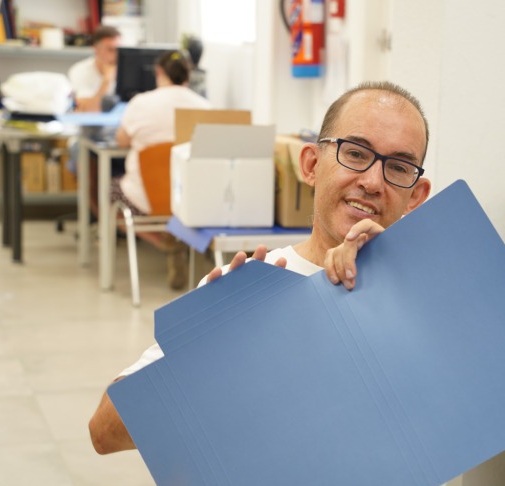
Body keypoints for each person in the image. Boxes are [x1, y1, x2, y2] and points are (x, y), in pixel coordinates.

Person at [88, 80, 431, 451]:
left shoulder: (432, 297)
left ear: (416, 196)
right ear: (312, 165)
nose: (372, 181)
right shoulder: (252, 289)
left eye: (398, 167)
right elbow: (104, 432)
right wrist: (218, 353)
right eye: (356, 154)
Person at [113, 49, 212, 290]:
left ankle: (165, 243)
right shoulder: (205, 106)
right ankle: (178, 237)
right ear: (189, 75)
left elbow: (121, 141)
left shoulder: (140, 103)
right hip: (190, 201)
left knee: (110, 193)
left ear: (158, 72)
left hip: (146, 197)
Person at [68, 25, 122, 113]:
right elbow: (89, 110)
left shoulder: (128, 70)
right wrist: (107, 80)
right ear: (97, 50)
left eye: (119, 49)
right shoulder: (79, 71)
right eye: (111, 50)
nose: (117, 55)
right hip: (90, 124)